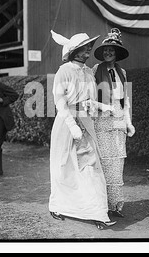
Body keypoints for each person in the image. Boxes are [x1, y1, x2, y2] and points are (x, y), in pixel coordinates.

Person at [48, 30, 116, 230]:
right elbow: (60, 102)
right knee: (64, 166)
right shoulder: (64, 71)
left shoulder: (88, 72)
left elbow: (88, 100)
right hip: (67, 123)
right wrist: (72, 126)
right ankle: (58, 205)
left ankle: (96, 211)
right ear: (75, 51)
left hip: (85, 122)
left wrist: (103, 107)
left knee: (90, 166)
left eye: (89, 46)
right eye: (85, 47)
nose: (89, 50)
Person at [92, 28, 135, 218]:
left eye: (113, 50)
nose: (109, 52)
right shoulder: (95, 70)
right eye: (106, 50)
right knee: (104, 160)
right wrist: (100, 109)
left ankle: (116, 204)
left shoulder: (122, 72)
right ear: (102, 53)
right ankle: (102, 203)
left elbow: (126, 99)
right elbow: (91, 97)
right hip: (102, 116)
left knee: (118, 160)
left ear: (117, 54)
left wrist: (129, 121)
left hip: (118, 115)